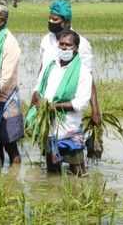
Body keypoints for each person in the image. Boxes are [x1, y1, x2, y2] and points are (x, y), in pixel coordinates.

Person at [28, 29, 92, 175]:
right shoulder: (51, 66)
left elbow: (80, 103)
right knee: (52, 170)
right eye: (61, 44)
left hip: (69, 129)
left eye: (68, 45)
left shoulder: (82, 72)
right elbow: (39, 87)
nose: (63, 48)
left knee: (78, 171)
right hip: (49, 128)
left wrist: (54, 107)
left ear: (75, 48)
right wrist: (37, 101)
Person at [40, 0, 101, 125]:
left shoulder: (81, 44)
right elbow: (42, 70)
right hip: (46, 105)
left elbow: (88, 77)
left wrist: (95, 110)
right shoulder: (46, 40)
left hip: (68, 106)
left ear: (66, 22)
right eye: (50, 18)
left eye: (55, 20)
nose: (51, 22)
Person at [0, 4, 24, 171]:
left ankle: (14, 178)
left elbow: (6, 78)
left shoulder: (9, 43)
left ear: (1, 21)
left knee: (9, 144)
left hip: (4, 98)